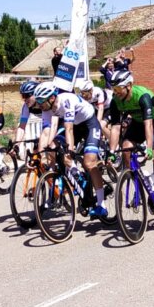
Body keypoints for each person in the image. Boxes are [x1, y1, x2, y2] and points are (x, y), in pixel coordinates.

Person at [34, 84, 109, 219]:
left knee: (89, 163)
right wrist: (42, 152)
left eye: (41, 101)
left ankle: (101, 205)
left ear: (51, 98)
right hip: (76, 126)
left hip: (89, 125)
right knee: (53, 147)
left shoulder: (66, 101)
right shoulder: (46, 108)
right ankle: (76, 175)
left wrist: (70, 150)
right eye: (37, 101)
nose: (39, 105)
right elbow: (47, 132)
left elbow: (69, 129)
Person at [108, 70, 154, 205]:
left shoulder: (142, 96)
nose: (116, 93)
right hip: (138, 123)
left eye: (118, 89)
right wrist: (112, 151)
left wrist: (149, 148)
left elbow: (149, 125)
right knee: (126, 149)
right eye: (113, 89)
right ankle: (139, 185)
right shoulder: (115, 101)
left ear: (129, 85)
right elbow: (115, 128)